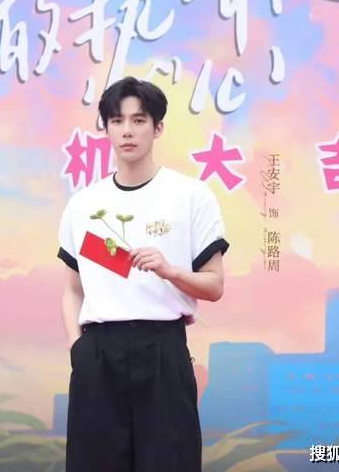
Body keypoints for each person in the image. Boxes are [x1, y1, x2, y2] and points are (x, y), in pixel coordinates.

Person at [57, 76, 229, 472]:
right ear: (105, 129)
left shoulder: (190, 196)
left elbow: (215, 285)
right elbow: (72, 289)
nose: (127, 131)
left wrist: (170, 271)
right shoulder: (84, 205)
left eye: (138, 120)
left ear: (158, 128)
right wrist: (77, 347)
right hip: (98, 356)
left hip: (163, 351)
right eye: (117, 121)